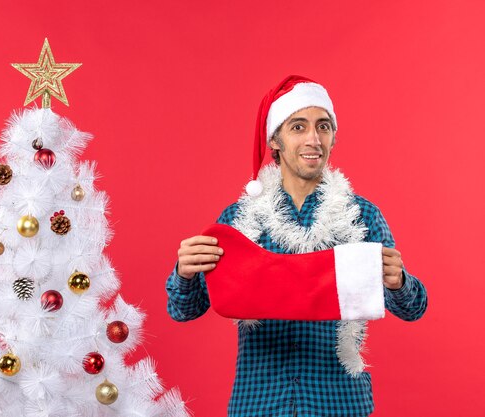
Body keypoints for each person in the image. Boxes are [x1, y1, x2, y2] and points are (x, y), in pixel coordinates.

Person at [165, 75, 428, 417]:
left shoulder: (361, 214)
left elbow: (413, 308)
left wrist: (399, 282)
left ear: (333, 136)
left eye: (323, 126)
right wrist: (184, 273)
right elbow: (184, 310)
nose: (313, 139)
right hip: (258, 400)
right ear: (275, 140)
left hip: (339, 402)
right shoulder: (239, 220)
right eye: (298, 127)